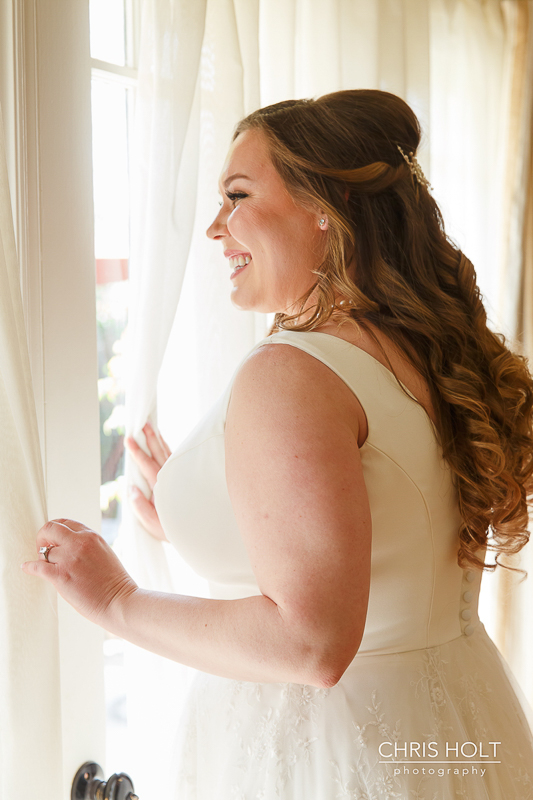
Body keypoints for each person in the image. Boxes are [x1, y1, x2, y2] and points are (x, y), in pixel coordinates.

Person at [23, 89, 533, 799]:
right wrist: (213, 513)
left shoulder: (293, 371)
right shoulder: (424, 351)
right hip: (450, 723)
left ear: (325, 208)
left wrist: (114, 599)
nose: (212, 227)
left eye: (236, 195)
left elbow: (311, 643)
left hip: (334, 756)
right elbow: (395, 530)